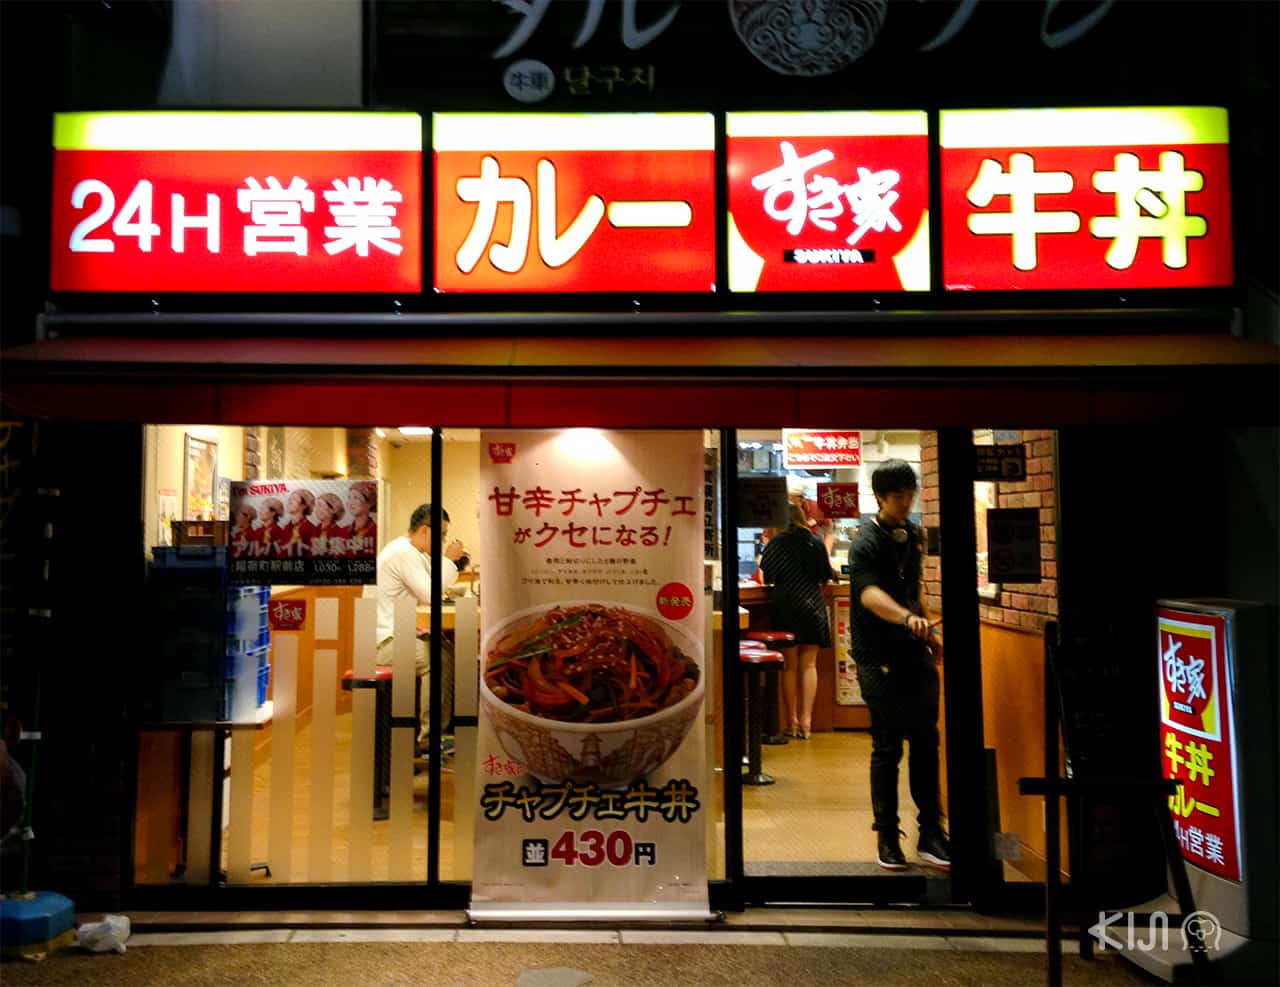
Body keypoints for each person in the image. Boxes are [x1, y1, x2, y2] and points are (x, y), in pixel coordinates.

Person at [847, 459, 950, 872]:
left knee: (927, 741)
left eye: (910, 494)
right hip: (877, 656)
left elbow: (913, 593)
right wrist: (908, 619)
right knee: (887, 746)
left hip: (913, 651)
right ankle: (887, 836)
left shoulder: (914, 535)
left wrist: (929, 632)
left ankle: (931, 833)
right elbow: (869, 595)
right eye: (898, 496)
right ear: (880, 497)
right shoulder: (865, 542)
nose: (906, 502)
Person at [369, 503, 466, 749]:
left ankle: (437, 731)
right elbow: (431, 593)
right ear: (425, 530)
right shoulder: (403, 553)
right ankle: (430, 739)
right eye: (442, 534)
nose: (444, 541)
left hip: (393, 636)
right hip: (383, 643)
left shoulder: (406, 551)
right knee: (438, 659)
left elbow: (429, 586)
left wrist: (452, 564)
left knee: (445, 651)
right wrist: (449, 560)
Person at [759, 502, 833, 739]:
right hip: (812, 604)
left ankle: (790, 721)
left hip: (785, 604)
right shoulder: (815, 541)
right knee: (809, 664)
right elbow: (825, 576)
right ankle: (807, 722)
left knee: (790, 665)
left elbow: (766, 576)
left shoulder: (776, 544)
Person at [309, 491, 347, 558]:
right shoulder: (313, 530)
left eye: (320, 505)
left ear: (333, 509)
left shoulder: (340, 533)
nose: (316, 509)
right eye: (316, 506)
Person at [345, 482, 377, 558]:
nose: (351, 502)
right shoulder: (343, 531)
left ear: (369, 503)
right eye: (349, 497)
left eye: (356, 498)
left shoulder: (376, 532)